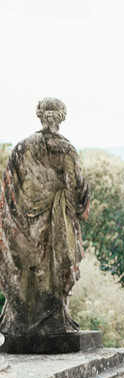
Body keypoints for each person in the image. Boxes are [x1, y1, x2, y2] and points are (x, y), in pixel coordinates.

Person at [0, 98, 91, 341]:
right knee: (53, 274)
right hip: (55, 227)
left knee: (27, 276)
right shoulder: (66, 149)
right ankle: (53, 321)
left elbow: (8, 194)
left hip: (23, 228)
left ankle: (20, 321)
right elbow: (75, 192)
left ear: (40, 115)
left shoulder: (20, 149)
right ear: (62, 117)